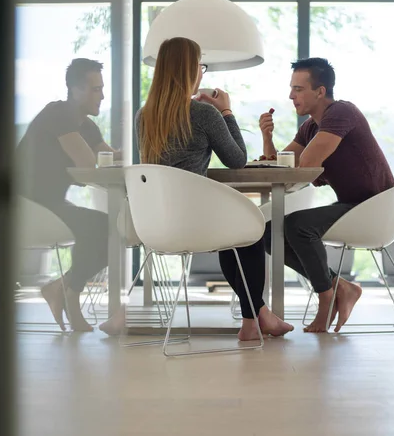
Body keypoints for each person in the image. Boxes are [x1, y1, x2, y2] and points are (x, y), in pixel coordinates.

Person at [99, 37, 294, 340]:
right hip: (194, 223)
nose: (202, 73)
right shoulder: (204, 114)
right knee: (249, 232)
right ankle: (252, 321)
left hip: (153, 225)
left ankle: (259, 318)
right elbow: (237, 160)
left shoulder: (143, 116)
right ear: (190, 71)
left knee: (239, 231)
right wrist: (226, 111)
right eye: (200, 66)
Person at [258, 57, 394, 333]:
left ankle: (326, 298)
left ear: (320, 91)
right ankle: (340, 286)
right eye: (291, 88)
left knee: (299, 226)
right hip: (351, 206)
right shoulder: (311, 126)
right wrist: (267, 137)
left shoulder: (341, 113)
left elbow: (304, 164)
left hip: (373, 207)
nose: (290, 95)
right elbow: (280, 165)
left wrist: (293, 157)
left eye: (298, 89)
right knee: (270, 233)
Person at [16, 58, 121, 331]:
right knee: (101, 227)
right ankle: (69, 297)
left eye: (102, 88)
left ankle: (61, 289)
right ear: (74, 90)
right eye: (95, 89)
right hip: (26, 206)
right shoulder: (57, 114)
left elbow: (111, 157)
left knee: (110, 230)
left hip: (51, 205)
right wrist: (106, 158)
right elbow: (88, 163)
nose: (102, 95)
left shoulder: (87, 126)